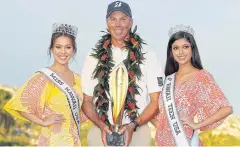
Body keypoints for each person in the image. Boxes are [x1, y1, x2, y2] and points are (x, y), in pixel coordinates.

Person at [81, 1, 164, 146]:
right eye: (113, 19)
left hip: (137, 127)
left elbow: (156, 101)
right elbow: (87, 101)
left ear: (131, 22)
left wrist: (134, 125)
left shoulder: (148, 53)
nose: (117, 24)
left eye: (123, 19)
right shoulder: (93, 56)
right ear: (107, 22)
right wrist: (101, 125)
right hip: (102, 126)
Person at [4, 23, 87, 146]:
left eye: (68, 47)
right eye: (58, 47)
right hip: (52, 142)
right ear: (51, 49)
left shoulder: (79, 79)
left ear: (74, 50)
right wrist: (42, 121)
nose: (63, 52)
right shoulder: (43, 77)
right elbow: (19, 105)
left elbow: (86, 109)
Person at [154, 25, 233, 146]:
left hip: (186, 142)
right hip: (162, 143)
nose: (180, 52)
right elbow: (162, 118)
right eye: (176, 48)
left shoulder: (202, 77)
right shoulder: (168, 80)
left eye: (185, 47)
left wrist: (196, 125)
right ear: (171, 52)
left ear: (192, 48)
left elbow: (226, 108)